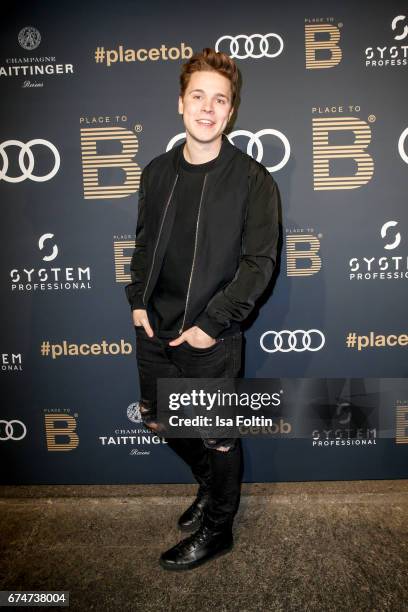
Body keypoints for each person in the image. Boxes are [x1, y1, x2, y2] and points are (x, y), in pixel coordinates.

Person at [125, 47, 279, 570]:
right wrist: (136, 301)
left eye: (220, 100)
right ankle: (210, 490)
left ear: (231, 111)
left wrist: (212, 325)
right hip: (154, 330)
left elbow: (259, 265)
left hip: (212, 339)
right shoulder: (156, 172)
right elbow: (143, 244)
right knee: (158, 420)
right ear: (181, 103)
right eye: (198, 97)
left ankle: (218, 530)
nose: (208, 109)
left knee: (216, 437)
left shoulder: (254, 180)